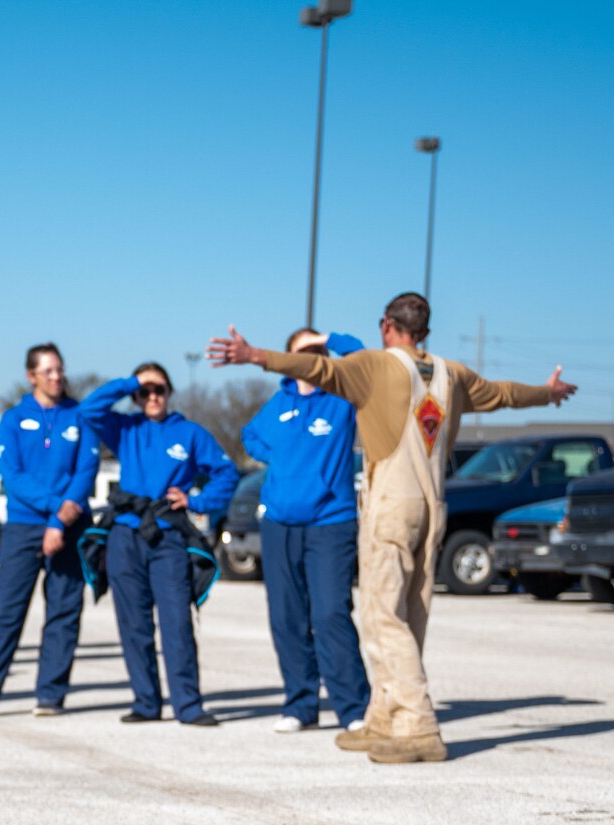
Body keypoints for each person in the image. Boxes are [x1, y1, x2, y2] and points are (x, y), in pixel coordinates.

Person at [208, 293, 576, 764]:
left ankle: (418, 725)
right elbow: (503, 393)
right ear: (424, 330)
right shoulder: (451, 373)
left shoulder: (376, 367)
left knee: (383, 615)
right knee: (411, 613)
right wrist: (547, 393)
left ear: (387, 325)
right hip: (434, 504)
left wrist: (255, 355)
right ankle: (384, 717)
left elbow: (320, 371)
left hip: (392, 504)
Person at [0, 343, 98, 719]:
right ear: (31, 376)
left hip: (71, 527)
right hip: (23, 525)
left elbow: (86, 473)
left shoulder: (81, 416)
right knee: (6, 613)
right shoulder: (13, 418)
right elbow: (13, 475)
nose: (57, 377)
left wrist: (60, 522)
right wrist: (52, 509)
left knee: (64, 612)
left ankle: (50, 696)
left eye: (60, 370)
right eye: (48, 371)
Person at [80, 362, 239, 727]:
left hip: (168, 536)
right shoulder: (125, 428)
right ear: (136, 396)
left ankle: (189, 705)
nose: (153, 397)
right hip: (125, 535)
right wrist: (132, 380)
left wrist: (196, 501)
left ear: (169, 393)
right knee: (133, 624)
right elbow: (89, 408)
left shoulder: (190, 433)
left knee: (176, 622)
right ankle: (146, 701)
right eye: (145, 391)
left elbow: (226, 473)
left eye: (159, 389)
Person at [240, 330, 371, 734]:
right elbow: (250, 436)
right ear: (288, 359)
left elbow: (366, 361)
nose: (312, 360)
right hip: (279, 523)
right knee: (286, 616)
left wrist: (331, 337)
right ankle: (300, 704)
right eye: (304, 353)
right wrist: (278, 458)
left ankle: (353, 709)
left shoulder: (343, 397)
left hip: (331, 522)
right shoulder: (278, 404)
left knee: (331, 612)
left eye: (318, 352)